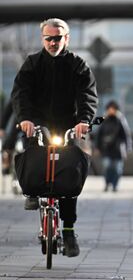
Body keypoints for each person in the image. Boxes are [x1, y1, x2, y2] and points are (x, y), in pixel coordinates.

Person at [10, 18, 98, 257]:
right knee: (32, 157)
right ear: (43, 39)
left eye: (57, 38)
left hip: (68, 126)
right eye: (48, 38)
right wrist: (25, 118)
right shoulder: (32, 64)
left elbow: (87, 96)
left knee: (68, 180)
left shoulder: (78, 65)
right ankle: (30, 192)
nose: (52, 42)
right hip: (38, 124)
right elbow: (20, 94)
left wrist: (84, 121)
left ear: (66, 38)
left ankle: (68, 232)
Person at [95, 100, 132, 192]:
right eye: (109, 109)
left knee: (117, 169)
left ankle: (115, 185)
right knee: (107, 167)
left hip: (118, 149)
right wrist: (97, 147)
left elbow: (126, 135)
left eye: (113, 109)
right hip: (106, 149)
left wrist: (128, 147)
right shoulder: (104, 120)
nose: (111, 110)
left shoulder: (120, 120)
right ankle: (107, 184)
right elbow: (98, 135)